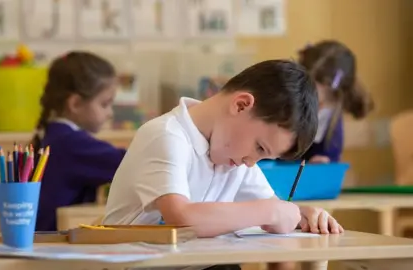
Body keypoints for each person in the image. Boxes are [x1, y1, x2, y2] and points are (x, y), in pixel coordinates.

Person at [103, 60, 343, 270]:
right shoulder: (166, 135)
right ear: (240, 105)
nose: (252, 163)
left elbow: (273, 208)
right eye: (259, 147)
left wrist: (303, 215)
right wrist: (271, 211)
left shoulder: (235, 158)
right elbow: (182, 218)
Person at [32, 51, 126, 231]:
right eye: (104, 104)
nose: (110, 113)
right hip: (53, 246)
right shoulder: (69, 143)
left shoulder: (54, 135)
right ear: (75, 104)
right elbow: (129, 163)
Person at [298, 40, 374, 163]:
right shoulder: (284, 106)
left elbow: (330, 159)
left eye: (326, 98)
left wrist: (323, 164)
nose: (318, 105)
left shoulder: (332, 121)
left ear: (338, 96)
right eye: (308, 92)